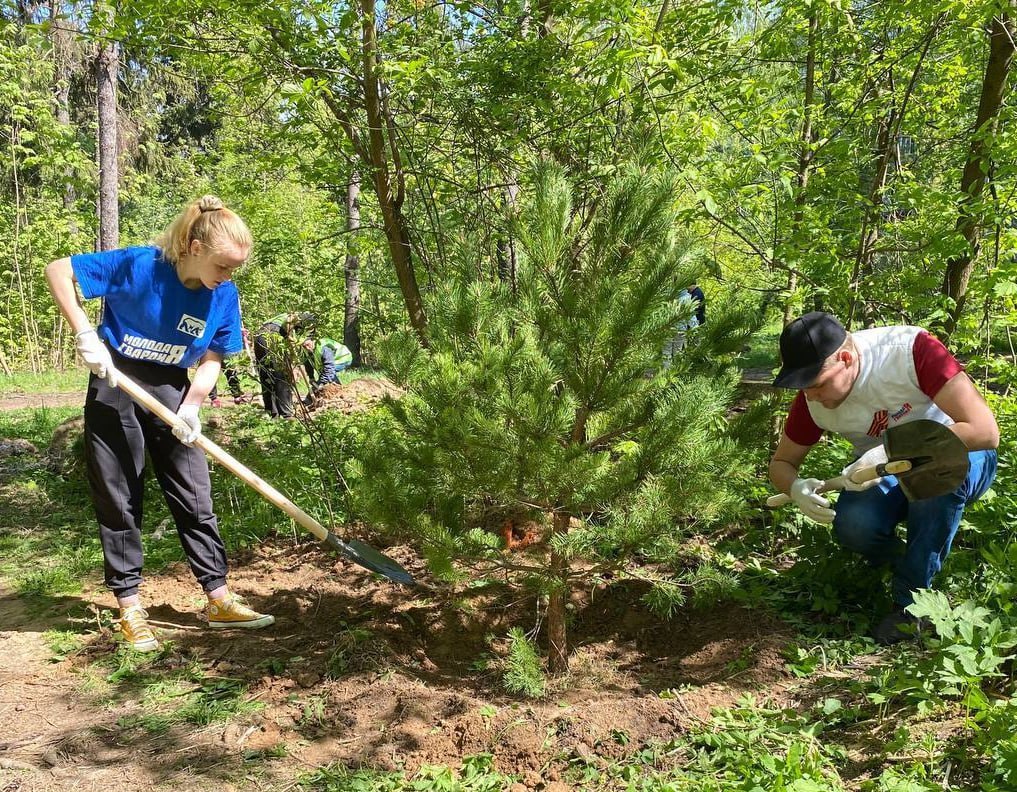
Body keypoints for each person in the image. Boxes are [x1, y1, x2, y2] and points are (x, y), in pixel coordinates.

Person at [44, 195, 275, 652]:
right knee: (119, 494)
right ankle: (130, 606)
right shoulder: (141, 265)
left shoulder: (223, 295)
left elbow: (212, 357)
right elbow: (58, 270)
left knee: (194, 493)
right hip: (114, 383)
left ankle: (219, 599)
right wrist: (84, 333)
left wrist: (193, 405)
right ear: (192, 246)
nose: (227, 278)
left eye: (234, 270)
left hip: (173, 389)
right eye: (224, 266)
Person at [768, 312, 998, 645]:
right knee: (853, 525)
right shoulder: (811, 398)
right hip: (884, 470)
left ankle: (913, 604)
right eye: (803, 386)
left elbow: (985, 432)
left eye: (816, 384)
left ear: (846, 359)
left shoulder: (908, 352)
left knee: (933, 480)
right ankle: (913, 561)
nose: (810, 395)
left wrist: (892, 452)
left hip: (963, 455)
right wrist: (794, 486)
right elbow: (782, 462)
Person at [253, 312, 315, 418]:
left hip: (259, 337)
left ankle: (272, 413)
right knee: (281, 375)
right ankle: (287, 414)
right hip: (271, 336)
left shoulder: (283, 317)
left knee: (266, 374)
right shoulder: (296, 317)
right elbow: (289, 324)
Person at [662, 289, 698, 369]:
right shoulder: (687, 298)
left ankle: (666, 374)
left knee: (666, 352)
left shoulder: (667, 295)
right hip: (681, 330)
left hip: (667, 328)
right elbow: (691, 316)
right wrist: (695, 329)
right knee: (677, 352)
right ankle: (675, 373)